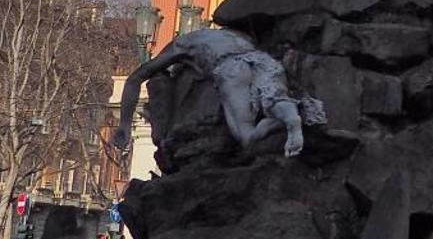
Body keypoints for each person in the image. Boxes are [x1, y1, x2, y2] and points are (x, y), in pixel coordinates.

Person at [112, 28, 316, 159]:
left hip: (232, 68)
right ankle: (291, 116)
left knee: (247, 136)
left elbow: (136, 78)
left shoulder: (182, 44)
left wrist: (124, 124)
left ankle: (276, 124)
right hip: (263, 61)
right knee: (274, 100)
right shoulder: (236, 35)